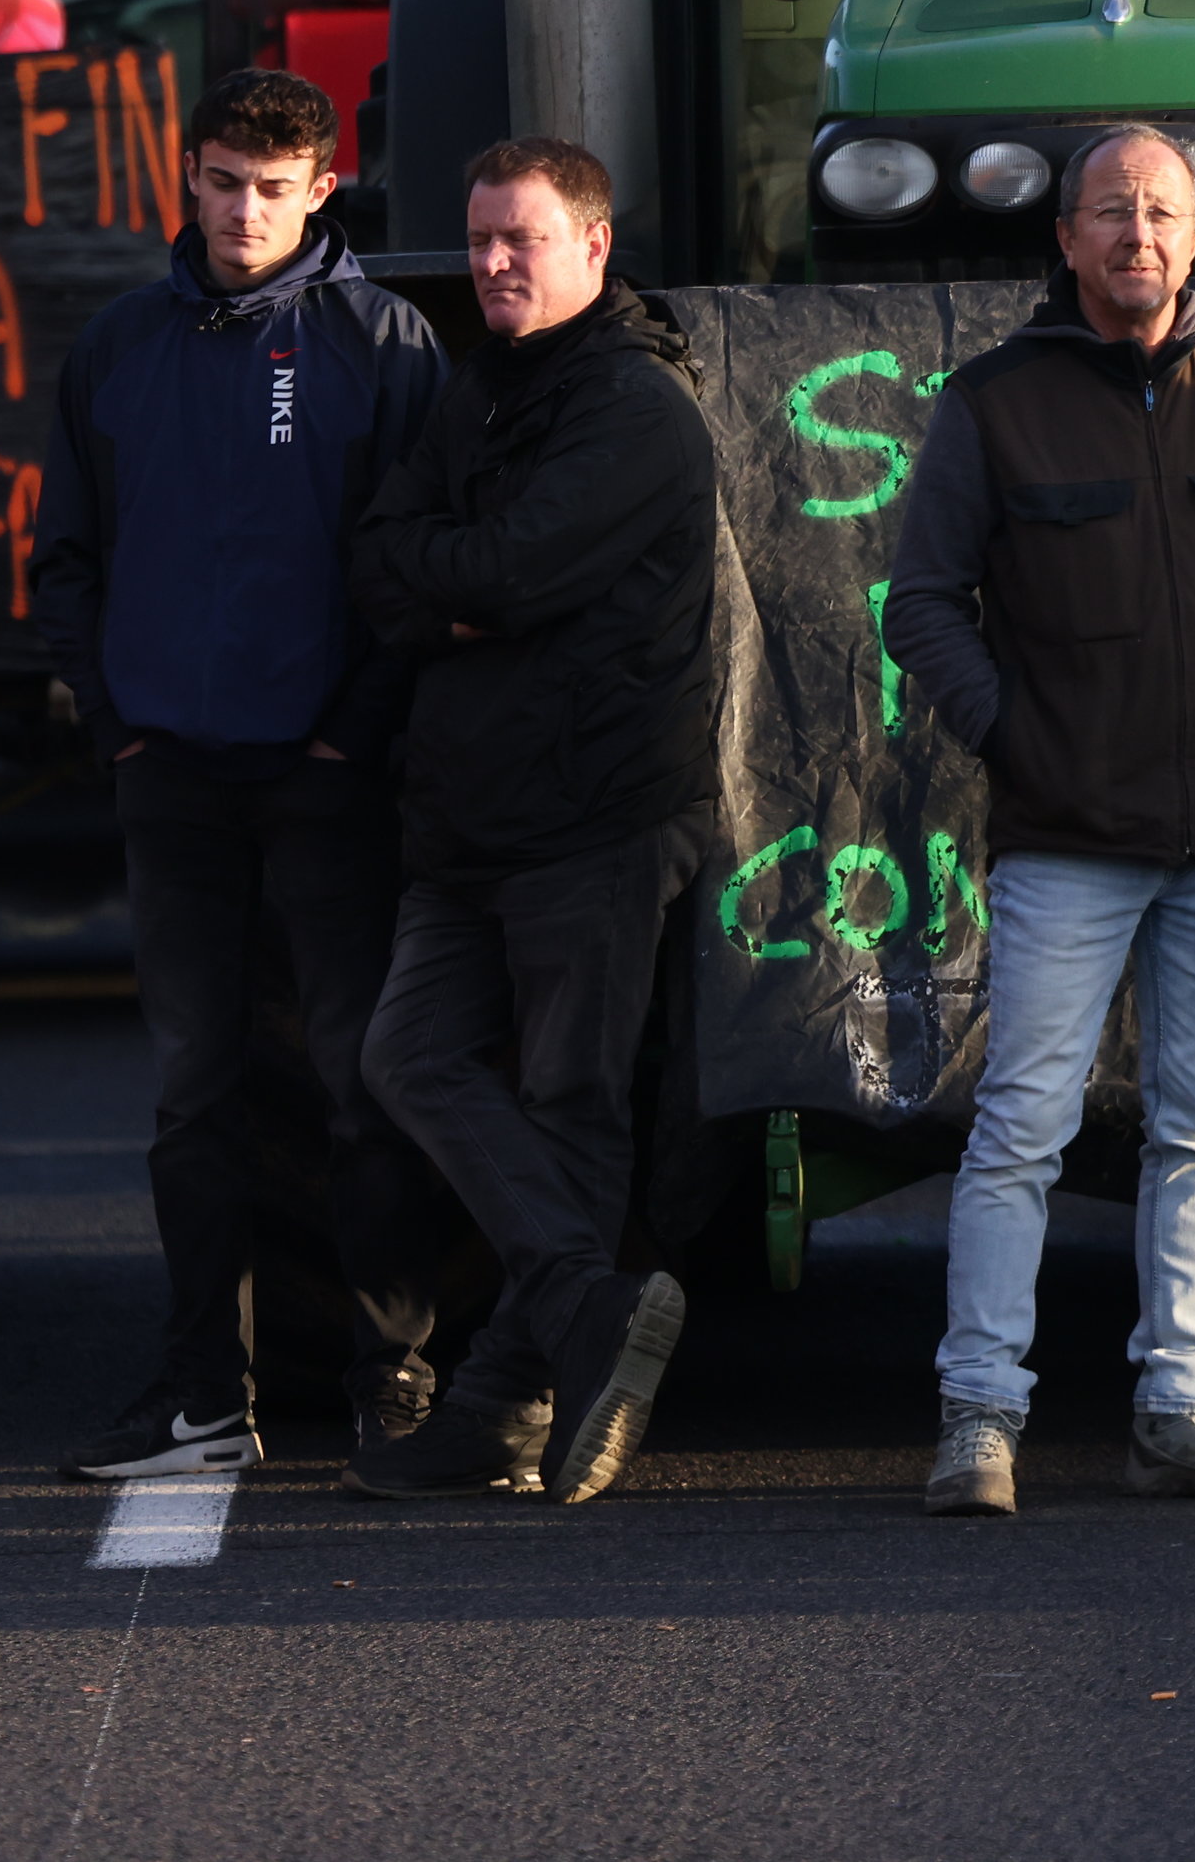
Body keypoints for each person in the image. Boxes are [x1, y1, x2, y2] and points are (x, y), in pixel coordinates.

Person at [885, 127, 1195, 1519]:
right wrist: (1022, 738)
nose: (1138, 235)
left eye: (1162, 211)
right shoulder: (991, 404)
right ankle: (978, 1419)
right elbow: (923, 605)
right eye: (1111, 213)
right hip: (1065, 839)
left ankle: (1180, 1411)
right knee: (1021, 1131)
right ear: (1066, 240)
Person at [35, 68, 453, 1486]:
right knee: (189, 1093)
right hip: (174, 773)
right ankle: (202, 1392)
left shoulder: (385, 343)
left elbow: (416, 566)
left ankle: (393, 1376)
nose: (245, 212)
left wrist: (353, 728)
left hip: (328, 772)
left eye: (274, 188)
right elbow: (67, 558)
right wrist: (118, 723)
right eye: (223, 182)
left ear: (322, 190)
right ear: (189, 176)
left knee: (363, 1081)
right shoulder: (116, 346)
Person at [345, 139, 722, 1505]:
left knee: (570, 1102)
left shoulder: (634, 411)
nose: (495, 263)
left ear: (595, 247)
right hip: (465, 821)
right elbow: (379, 555)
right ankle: (580, 1314)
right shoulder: (480, 390)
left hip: (596, 818)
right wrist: (445, 587)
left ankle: (505, 1399)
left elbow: (494, 570)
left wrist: (452, 587)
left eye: (525, 240)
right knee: (411, 1056)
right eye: (483, 238)